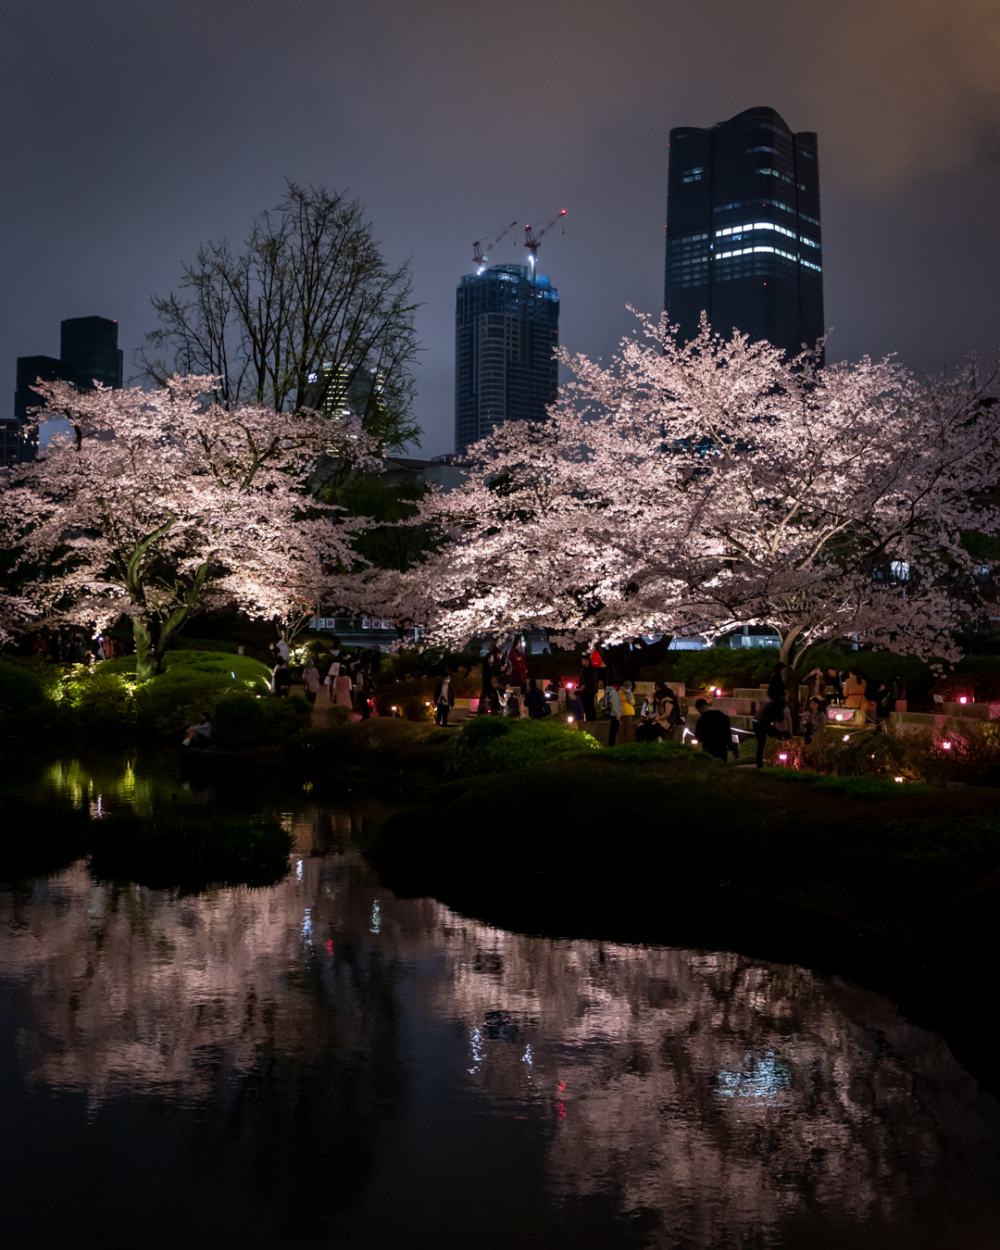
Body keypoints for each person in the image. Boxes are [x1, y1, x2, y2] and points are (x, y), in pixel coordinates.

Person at [692, 699, 738, 763]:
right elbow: (727, 733)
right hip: (722, 748)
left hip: (709, 749)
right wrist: (731, 747)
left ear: (699, 708)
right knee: (722, 767)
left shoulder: (701, 720)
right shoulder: (721, 715)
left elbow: (699, 738)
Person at [753, 697, 792, 768]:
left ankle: (760, 764)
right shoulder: (774, 704)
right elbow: (779, 717)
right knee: (762, 742)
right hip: (761, 723)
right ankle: (759, 764)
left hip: (758, 722)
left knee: (762, 743)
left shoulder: (770, 701)